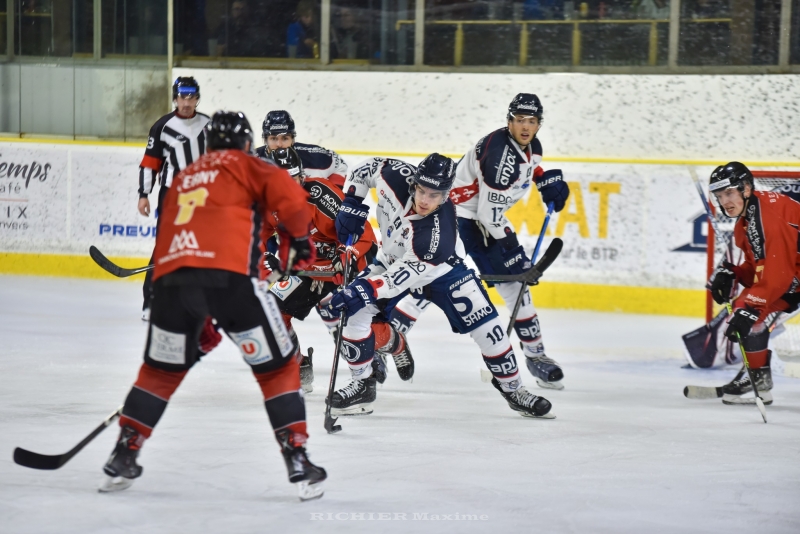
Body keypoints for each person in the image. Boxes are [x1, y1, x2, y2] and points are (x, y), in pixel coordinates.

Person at [101, 111, 327, 501]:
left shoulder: (185, 177)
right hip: (233, 283)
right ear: (246, 143)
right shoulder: (254, 166)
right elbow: (293, 204)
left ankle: (124, 453)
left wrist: (192, 320)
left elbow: (168, 241)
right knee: (277, 370)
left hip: (172, 287)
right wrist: (298, 248)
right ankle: (297, 457)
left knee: (159, 373)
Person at [330, 153, 555, 419]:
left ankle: (514, 390)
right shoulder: (393, 174)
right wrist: (351, 201)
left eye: (434, 195)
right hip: (390, 260)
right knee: (352, 313)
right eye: (421, 190)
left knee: (491, 331)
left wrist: (366, 289)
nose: (425, 200)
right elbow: (365, 169)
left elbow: (401, 277)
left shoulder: (437, 234)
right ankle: (362, 385)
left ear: (447, 195)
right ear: (413, 182)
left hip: (442, 271)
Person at [387, 93, 570, 390]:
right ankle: (387, 341)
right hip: (456, 218)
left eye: (532, 121)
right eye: (519, 120)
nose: (525, 126)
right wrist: (513, 250)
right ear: (509, 121)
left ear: (539, 124)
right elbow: (489, 214)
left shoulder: (530, 146)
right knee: (430, 282)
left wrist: (542, 178)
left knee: (516, 285)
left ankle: (536, 355)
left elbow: (527, 166)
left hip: (480, 221)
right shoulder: (499, 157)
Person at [262, 147, 411, 391]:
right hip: (309, 270)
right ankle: (298, 366)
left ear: (301, 177)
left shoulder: (321, 195)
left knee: (357, 325)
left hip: (352, 261)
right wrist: (266, 255)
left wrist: (347, 255)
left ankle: (395, 342)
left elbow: (361, 233)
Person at [704, 162, 800, 405]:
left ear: (746, 189)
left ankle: (757, 380)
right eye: (719, 196)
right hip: (793, 273)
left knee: (748, 311)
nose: (724, 201)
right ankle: (759, 381)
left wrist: (751, 308)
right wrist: (734, 273)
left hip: (791, 274)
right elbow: (761, 266)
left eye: (729, 193)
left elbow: (779, 275)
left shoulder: (768, 219)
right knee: (746, 310)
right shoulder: (749, 217)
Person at [138, 77, 210, 321]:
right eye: (182, 97)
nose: (186, 102)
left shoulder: (209, 125)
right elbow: (150, 163)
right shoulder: (162, 126)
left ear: (197, 98)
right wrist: (143, 194)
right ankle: (151, 302)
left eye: (191, 97)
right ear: (175, 98)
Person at [255, 110, 349, 188]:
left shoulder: (316, 158)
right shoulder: (252, 161)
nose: (279, 144)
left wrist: (333, 193)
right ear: (266, 140)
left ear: (292, 140)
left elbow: (339, 165)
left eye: (285, 138)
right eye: (273, 139)